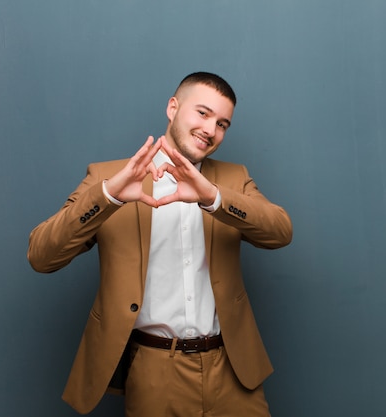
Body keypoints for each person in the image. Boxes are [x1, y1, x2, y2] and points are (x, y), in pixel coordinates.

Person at [27, 72, 293, 416]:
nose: (211, 130)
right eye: (203, 113)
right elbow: (41, 256)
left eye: (222, 123)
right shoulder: (109, 177)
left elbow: (280, 232)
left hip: (232, 368)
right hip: (154, 372)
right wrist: (108, 197)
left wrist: (213, 197)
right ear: (173, 107)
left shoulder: (233, 179)